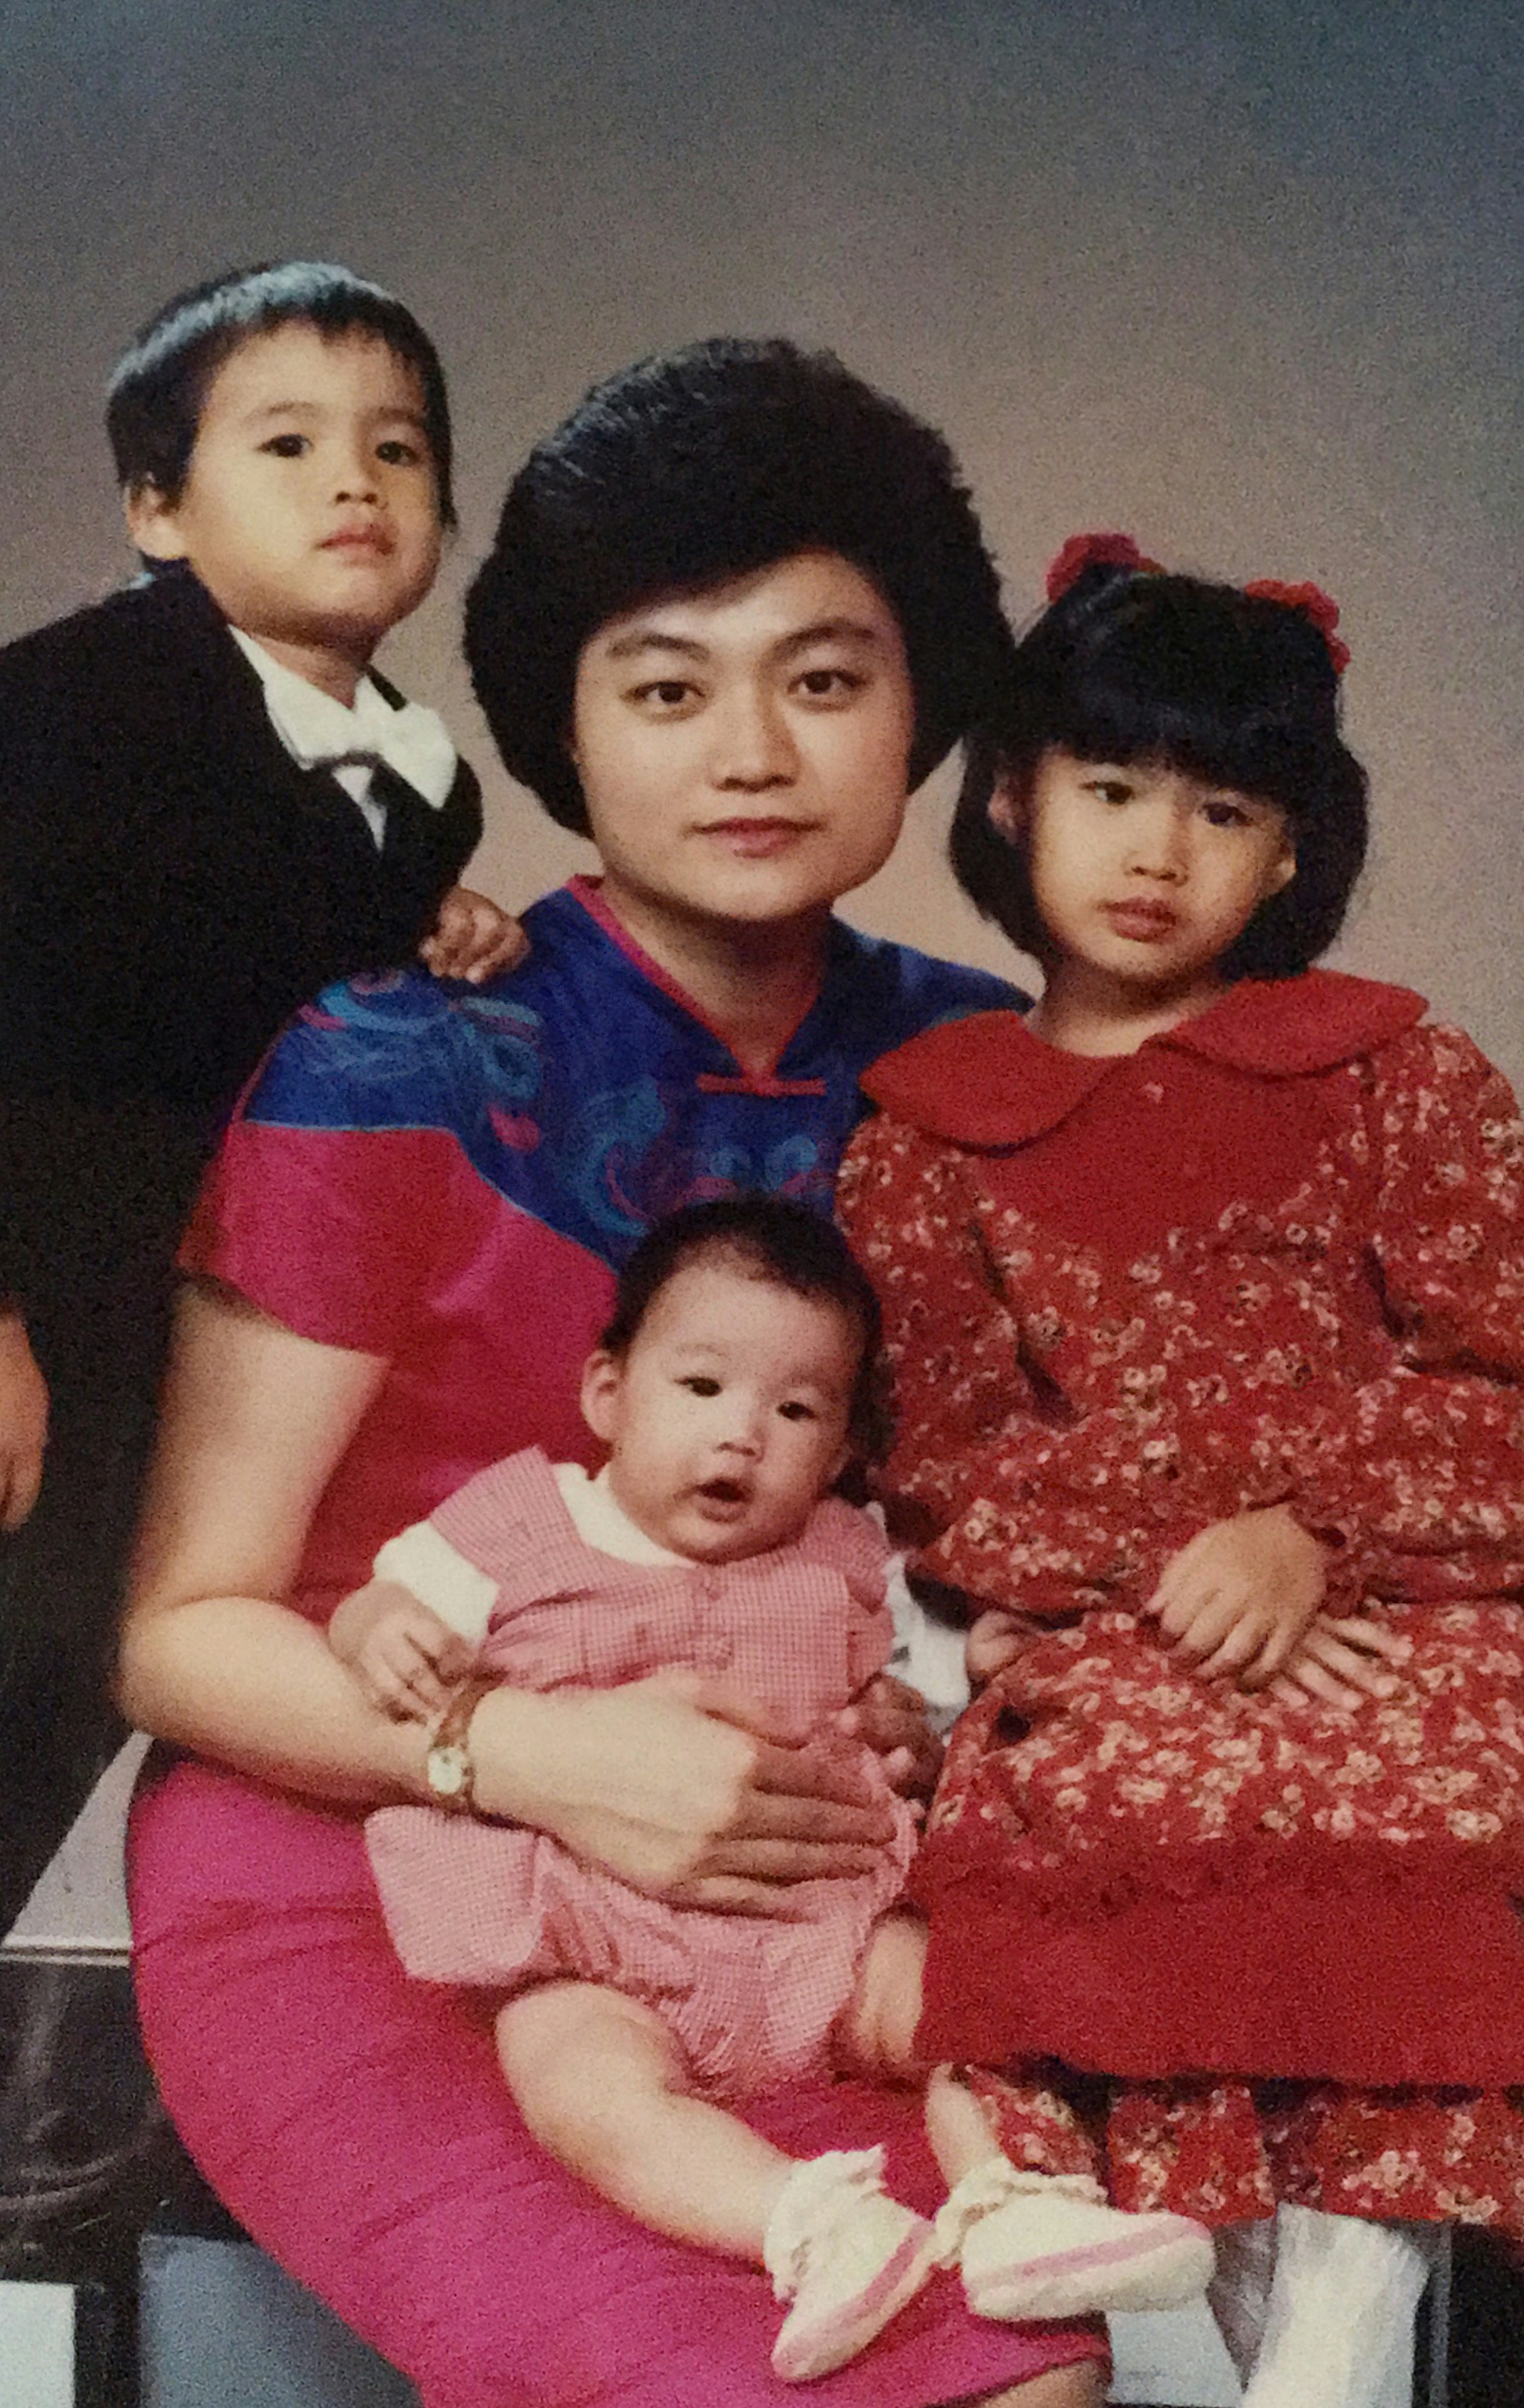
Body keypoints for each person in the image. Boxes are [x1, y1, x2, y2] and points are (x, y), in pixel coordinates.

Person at [117, 340, 1110, 2408]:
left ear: (923, 703)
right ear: (565, 727)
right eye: (666, 685)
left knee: (1016, 2368)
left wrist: (950, 1709)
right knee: (708, 2377)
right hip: (370, 1862)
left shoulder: (987, 1078)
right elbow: (183, 1637)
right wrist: (526, 1755)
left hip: (789, 1884)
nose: (749, 746)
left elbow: (987, 1549)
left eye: (823, 678)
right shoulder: (389, 1060)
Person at [839, 532, 1524, 2408]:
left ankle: (1338, 2344)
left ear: (1289, 850)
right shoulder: (927, 1139)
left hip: (1409, 1609)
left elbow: (1505, 1372)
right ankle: (1210, 2348)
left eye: (1220, 808)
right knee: (1123, 1796)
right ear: (1010, 799)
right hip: (1119, 1625)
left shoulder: (1395, 1078)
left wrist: (1304, 1532)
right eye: (1110, 787)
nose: (1156, 850)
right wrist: (1177, 1559)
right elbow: (949, 1460)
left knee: (1428, 1781)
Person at [0, 258, 522, 2013]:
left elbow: (286, 955)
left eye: (398, 452)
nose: (356, 484)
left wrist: (434, 922)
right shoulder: (73, 714)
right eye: (287, 445)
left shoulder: (405, 770)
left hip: (143, 1328)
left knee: (46, 1698)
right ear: (157, 509)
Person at [339, 1197, 1211, 2382]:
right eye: (702, 1390)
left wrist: (982, 1666)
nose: (743, 1437)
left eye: (795, 1410)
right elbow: (385, 1597)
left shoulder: (846, 1551)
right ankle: (812, 2228)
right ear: (609, 1393)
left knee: (969, 2003)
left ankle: (1014, 2209)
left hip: (824, 1924)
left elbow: (934, 1676)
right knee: (575, 2082)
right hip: (598, 1938)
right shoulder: (523, 1519)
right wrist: (383, 1626)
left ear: (843, 1449)